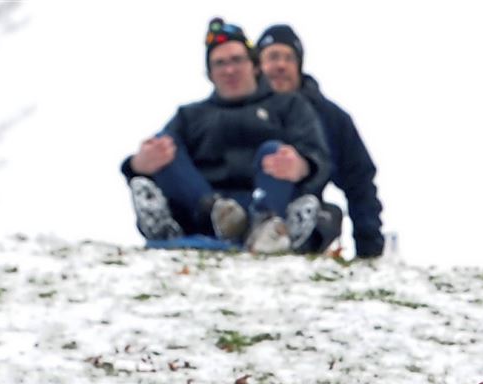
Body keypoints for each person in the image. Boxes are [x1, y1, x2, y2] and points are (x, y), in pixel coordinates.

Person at [121, 18, 332, 255]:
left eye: (236, 60)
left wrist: (303, 166)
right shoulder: (190, 116)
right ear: (210, 73)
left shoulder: (290, 106)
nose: (229, 70)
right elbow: (155, 159)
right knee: (164, 145)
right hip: (202, 209)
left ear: (254, 66)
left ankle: (267, 228)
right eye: (220, 64)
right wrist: (138, 164)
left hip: (268, 204)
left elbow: (320, 158)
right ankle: (201, 221)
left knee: (274, 151)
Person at [257, 24, 385, 259]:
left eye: (289, 58)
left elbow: (360, 181)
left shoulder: (331, 118)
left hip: (306, 218)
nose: (281, 65)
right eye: (273, 57)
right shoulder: (238, 109)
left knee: (327, 216)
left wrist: (369, 250)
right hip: (247, 211)